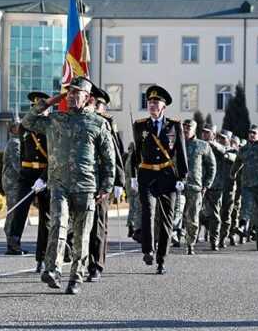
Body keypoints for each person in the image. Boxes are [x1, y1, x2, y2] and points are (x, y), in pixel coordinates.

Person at [21, 76, 115, 295]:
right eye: (69, 92)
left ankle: (76, 278)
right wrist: (49, 102)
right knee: (58, 225)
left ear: (88, 98)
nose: (72, 96)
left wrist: (106, 186)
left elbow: (109, 160)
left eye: (76, 93)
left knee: (82, 235)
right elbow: (27, 123)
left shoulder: (99, 123)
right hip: (59, 185)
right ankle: (53, 270)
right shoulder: (55, 120)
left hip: (85, 186)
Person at [131, 85, 188, 275]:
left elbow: (181, 153)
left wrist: (182, 177)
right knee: (147, 211)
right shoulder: (140, 125)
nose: (152, 104)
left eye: (156, 102)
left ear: (164, 106)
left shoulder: (174, 125)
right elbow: (136, 153)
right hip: (147, 175)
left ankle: (161, 258)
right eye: (150, 102)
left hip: (167, 177)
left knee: (166, 218)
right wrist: (133, 176)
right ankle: (148, 250)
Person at [7, 92, 51, 274]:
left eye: (42, 110)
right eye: (35, 109)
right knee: (20, 206)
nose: (39, 113)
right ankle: (14, 238)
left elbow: (55, 157)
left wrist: (44, 178)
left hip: (45, 174)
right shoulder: (25, 127)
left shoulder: (52, 128)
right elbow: (23, 152)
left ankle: (42, 258)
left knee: (46, 219)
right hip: (27, 173)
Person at [86, 85, 125, 282]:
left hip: (101, 179)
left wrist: (119, 180)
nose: (94, 106)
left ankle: (95, 265)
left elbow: (116, 154)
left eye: (98, 104)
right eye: (92, 102)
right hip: (81, 178)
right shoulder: (81, 120)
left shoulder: (108, 124)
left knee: (98, 224)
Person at [229, 124, 258, 252]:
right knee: (246, 206)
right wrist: (233, 173)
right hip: (248, 185)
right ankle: (242, 226)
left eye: (254, 133)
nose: (252, 135)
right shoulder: (243, 149)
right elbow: (238, 162)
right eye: (250, 133)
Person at [179, 119, 216, 254]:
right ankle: (175, 234)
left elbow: (212, 166)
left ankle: (190, 243)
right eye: (184, 127)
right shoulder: (177, 144)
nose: (186, 129)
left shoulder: (202, 146)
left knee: (193, 218)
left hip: (195, 188)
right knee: (175, 213)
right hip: (178, 187)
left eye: (189, 127)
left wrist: (207, 184)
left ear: (195, 130)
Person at [2, 121, 21, 254]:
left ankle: (14, 243)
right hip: (12, 183)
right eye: (20, 126)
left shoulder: (17, 142)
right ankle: (11, 243)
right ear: (14, 129)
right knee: (13, 212)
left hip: (14, 182)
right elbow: (18, 166)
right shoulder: (15, 144)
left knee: (16, 212)